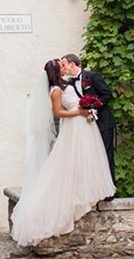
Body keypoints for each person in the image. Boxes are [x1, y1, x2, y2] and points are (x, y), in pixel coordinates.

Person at [10, 59, 115, 247]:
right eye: (61, 66)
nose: (65, 67)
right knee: (72, 157)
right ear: (56, 71)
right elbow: (58, 113)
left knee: (88, 157)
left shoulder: (66, 84)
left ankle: (87, 189)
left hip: (83, 125)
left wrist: (86, 109)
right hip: (75, 125)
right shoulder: (56, 90)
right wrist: (79, 113)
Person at [61, 53, 116, 185]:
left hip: (102, 122)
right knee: (91, 158)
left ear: (72, 64)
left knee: (106, 156)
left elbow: (107, 94)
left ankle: (109, 190)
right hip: (86, 126)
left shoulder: (92, 76)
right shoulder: (70, 84)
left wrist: (94, 105)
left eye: (64, 65)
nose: (63, 68)